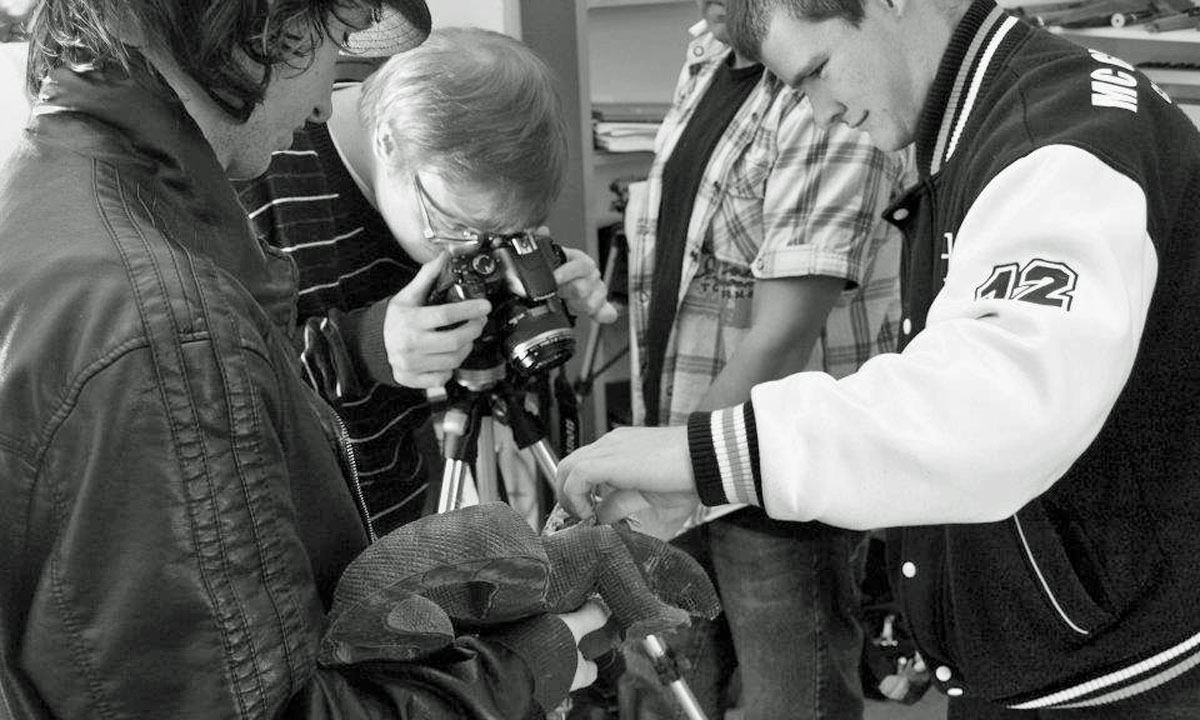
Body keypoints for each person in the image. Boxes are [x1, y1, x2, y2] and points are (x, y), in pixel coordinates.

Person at [556, 0, 1200, 717]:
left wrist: (705, 457)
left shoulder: (1055, 135)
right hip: (1051, 653)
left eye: (817, 74)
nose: (820, 112)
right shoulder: (981, 120)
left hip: (1122, 676)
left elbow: (994, 410)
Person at [0, 1, 611, 717]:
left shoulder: (58, 195)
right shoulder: (167, 327)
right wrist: (521, 671)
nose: (328, 99)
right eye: (337, 42)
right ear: (254, 22)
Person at [603, 0, 911, 718]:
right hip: (686, 429)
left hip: (774, 476)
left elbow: (782, 333)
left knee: (791, 695)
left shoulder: (830, 92)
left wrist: (675, 469)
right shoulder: (710, 55)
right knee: (667, 679)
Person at [237, 26, 616, 536]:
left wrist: (530, 292)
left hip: (409, 505)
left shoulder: (445, 190)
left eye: (499, 237)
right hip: (298, 537)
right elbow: (225, 377)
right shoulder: (260, 170)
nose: (471, 252)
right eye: (459, 228)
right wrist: (366, 346)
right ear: (389, 142)